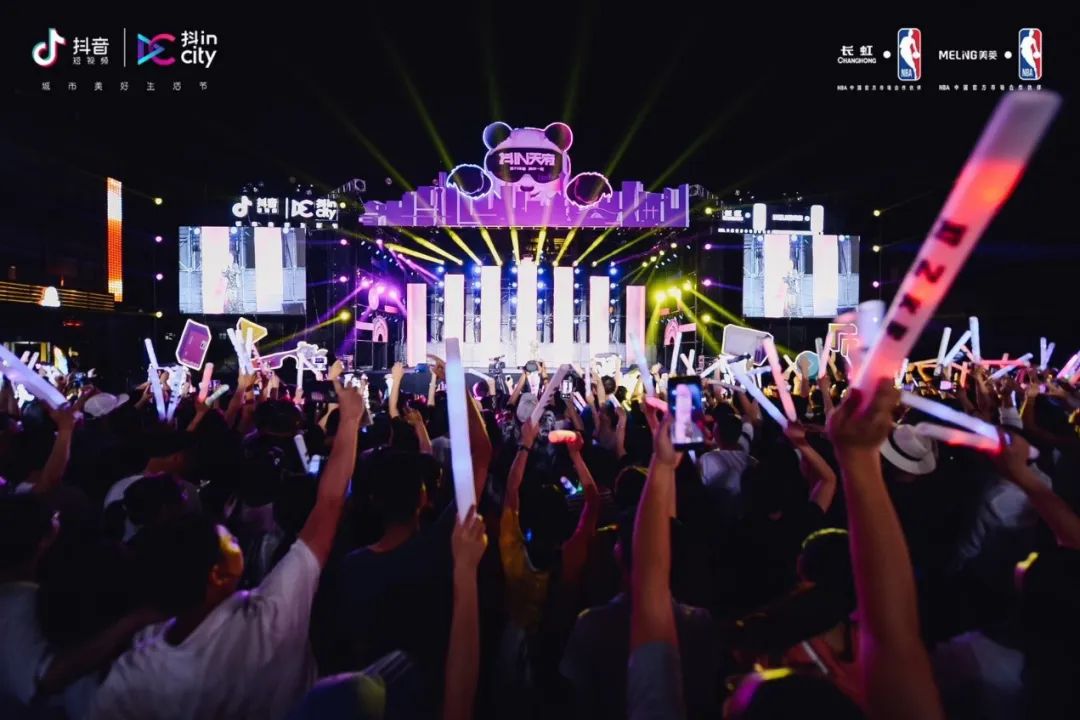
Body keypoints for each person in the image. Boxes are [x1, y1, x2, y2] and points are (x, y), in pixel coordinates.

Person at [86, 372, 364, 720]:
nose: (236, 538)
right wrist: (350, 420)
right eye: (228, 541)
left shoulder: (140, 664)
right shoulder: (268, 620)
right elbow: (330, 503)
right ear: (217, 575)